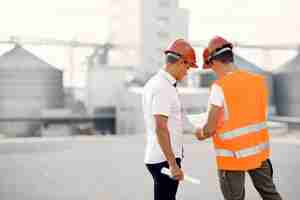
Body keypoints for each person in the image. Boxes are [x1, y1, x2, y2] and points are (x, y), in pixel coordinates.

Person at [195, 36, 282, 200]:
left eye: (211, 67)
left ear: (215, 62)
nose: (213, 71)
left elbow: (210, 128)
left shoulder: (219, 87)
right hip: (259, 154)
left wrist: (200, 132)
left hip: (232, 158)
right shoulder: (258, 82)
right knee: (271, 195)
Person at [142, 39, 200, 200]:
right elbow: (160, 127)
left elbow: (176, 119)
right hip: (165, 160)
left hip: (162, 157)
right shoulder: (162, 88)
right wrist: (173, 164)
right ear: (181, 62)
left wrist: (197, 130)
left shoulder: (161, 84)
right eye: (187, 67)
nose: (187, 72)